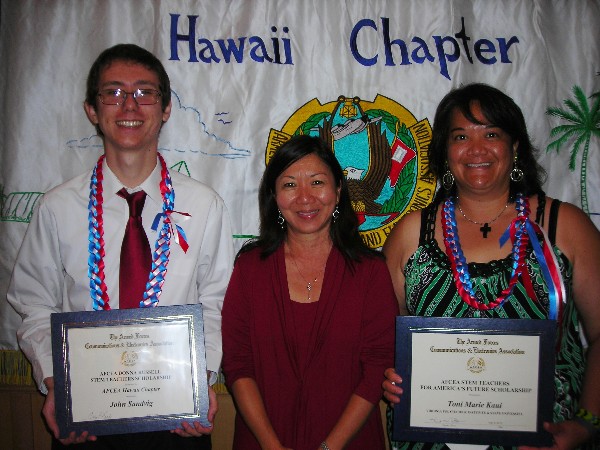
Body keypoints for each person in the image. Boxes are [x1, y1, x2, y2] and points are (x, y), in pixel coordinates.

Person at [7, 44, 234, 449]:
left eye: (145, 92)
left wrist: (202, 378)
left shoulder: (204, 205)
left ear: (165, 108)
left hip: (177, 420)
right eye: (113, 92)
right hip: (85, 422)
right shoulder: (57, 208)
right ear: (91, 110)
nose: (129, 105)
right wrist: (55, 383)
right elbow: (33, 302)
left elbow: (216, 302)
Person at [381, 83, 600, 450]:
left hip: (544, 439)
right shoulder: (409, 233)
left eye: (492, 134)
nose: (476, 149)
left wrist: (586, 423)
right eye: (461, 136)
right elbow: (384, 340)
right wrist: (389, 374)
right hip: (430, 438)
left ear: (515, 148)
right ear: (445, 152)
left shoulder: (566, 227)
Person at [221, 135, 399, 450]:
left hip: (351, 442)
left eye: (317, 182)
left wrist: (329, 447)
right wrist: (271, 445)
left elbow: (376, 369)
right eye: (289, 185)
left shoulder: (371, 272)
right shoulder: (249, 269)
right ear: (274, 196)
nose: (305, 198)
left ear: (338, 191)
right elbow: (238, 364)